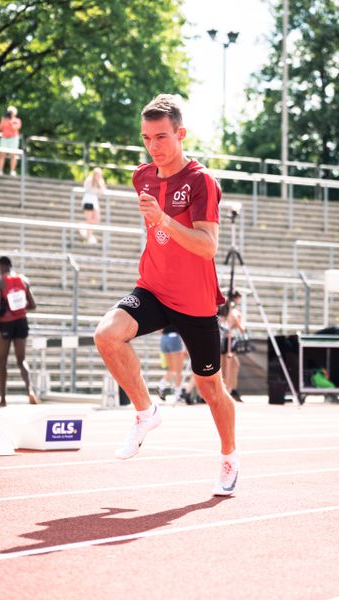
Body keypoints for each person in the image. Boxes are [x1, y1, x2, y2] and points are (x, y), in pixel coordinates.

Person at [94, 94, 239, 496]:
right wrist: (158, 223)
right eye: (146, 138)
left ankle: (229, 456)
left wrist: (163, 219)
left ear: (181, 134)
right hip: (153, 288)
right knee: (106, 334)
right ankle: (146, 412)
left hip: (195, 302)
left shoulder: (201, 181)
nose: (154, 146)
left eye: (162, 137)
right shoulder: (141, 176)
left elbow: (207, 246)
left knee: (211, 389)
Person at [0, 256, 38, 407]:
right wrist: (18, 308)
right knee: (22, 360)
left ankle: (3, 398)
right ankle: (30, 390)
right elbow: (32, 305)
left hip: (5, 324)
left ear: (0, 267)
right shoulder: (24, 280)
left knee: (2, 361)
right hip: (21, 322)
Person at [220, 291, 245, 403]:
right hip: (227, 340)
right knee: (229, 367)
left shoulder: (226, 310)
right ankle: (229, 390)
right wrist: (237, 323)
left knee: (229, 366)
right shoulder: (231, 311)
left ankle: (230, 390)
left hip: (225, 340)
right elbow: (240, 328)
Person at [157, 326, 185, 404]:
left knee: (172, 370)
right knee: (178, 371)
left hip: (164, 338)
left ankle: (161, 385)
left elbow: (159, 329)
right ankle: (177, 396)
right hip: (174, 338)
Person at [80, 167, 106, 244]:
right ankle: (88, 236)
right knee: (89, 220)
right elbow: (87, 188)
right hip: (88, 200)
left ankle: (85, 229)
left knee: (96, 220)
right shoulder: (89, 180)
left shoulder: (101, 182)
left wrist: (99, 183)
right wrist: (94, 182)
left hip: (94, 201)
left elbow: (102, 191)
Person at [0, 105, 22, 176]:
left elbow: (15, 129)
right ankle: (0, 170)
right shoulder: (4, 119)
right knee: (2, 154)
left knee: (13, 155)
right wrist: (3, 121)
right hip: (4, 138)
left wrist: (10, 122)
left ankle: (12, 171)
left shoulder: (17, 120)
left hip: (13, 138)